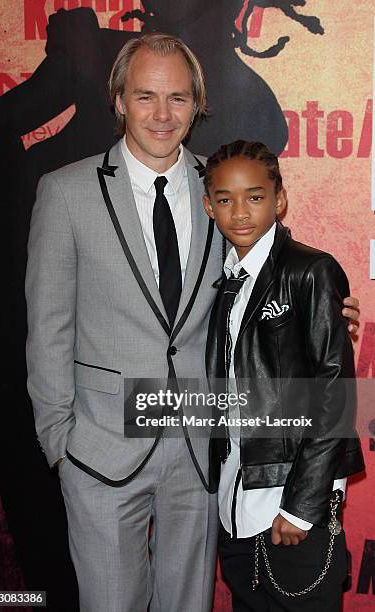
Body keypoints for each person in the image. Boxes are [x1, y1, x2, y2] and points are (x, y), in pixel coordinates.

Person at [25, 34, 360, 612]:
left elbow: (268, 274)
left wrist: (324, 308)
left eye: (178, 98)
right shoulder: (65, 192)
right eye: (146, 96)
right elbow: (48, 327)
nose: (161, 114)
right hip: (100, 447)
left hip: (202, 449)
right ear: (119, 99)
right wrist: (61, 442)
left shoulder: (221, 186)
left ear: (198, 103)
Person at [203, 139, 365, 612]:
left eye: (254, 196)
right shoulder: (224, 278)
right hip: (236, 505)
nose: (240, 212)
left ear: (280, 199)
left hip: (293, 507)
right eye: (225, 199)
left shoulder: (310, 270)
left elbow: (334, 394)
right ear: (209, 206)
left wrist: (302, 504)